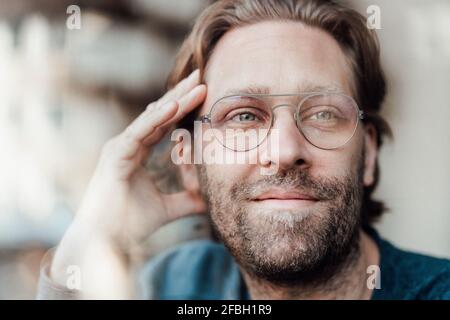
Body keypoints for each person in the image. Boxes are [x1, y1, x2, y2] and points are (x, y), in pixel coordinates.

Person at [37, 0, 450, 299]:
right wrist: (90, 238)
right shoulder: (172, 284)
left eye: (323, 114)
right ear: (189, 161)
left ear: (370, 155)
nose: (286, 149)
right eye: (244, 116)